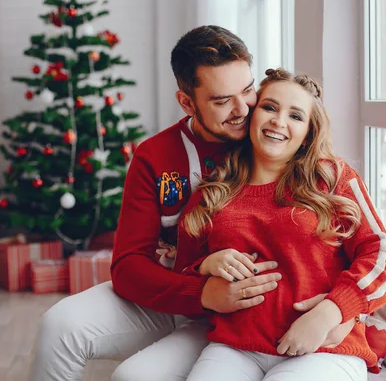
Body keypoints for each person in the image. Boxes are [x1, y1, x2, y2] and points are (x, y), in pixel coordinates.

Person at [29, 26, 353, 381]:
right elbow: (127, 265)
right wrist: (202, 292)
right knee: (59, 324)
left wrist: (341, 310)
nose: (242, 109)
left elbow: (344, 228)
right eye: (220, 100)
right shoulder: (155, 155)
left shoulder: (273, 139)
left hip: (251, 311)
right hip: (181, 294)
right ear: (187, 102)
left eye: (247, 91)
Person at [174, 68, 386, 381]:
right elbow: (182, 274)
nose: (278, 122)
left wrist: (331, 312)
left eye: (295, 115)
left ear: (309, 131)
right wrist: (206, 266)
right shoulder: (214, 191)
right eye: (269, 107)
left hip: (324, 348)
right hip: (235, 346)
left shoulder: (331, 177)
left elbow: (384, 253)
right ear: (252, 115)